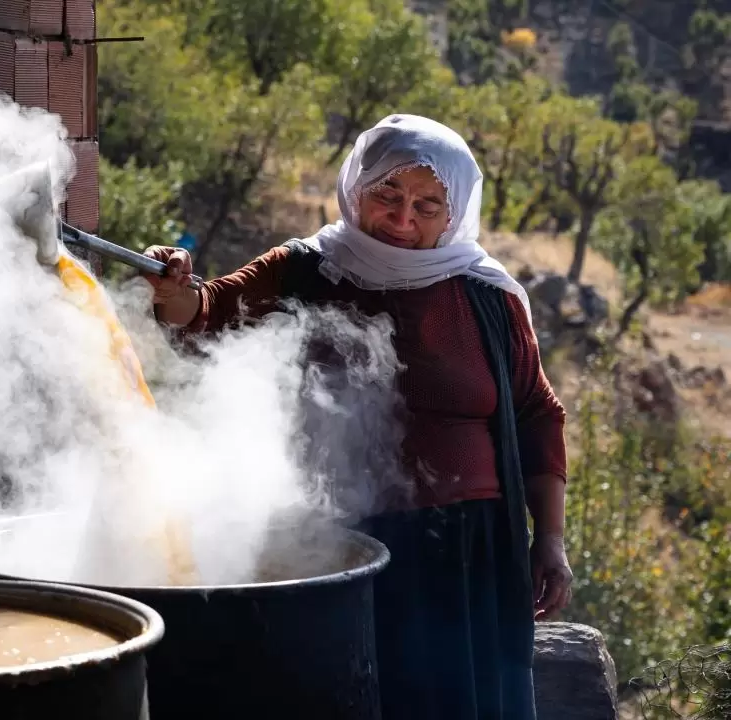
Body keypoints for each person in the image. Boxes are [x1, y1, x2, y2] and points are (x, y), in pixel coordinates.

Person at [145, 114, 573, 720]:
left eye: (427, 206)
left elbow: (536, 413)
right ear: (356, 186)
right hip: (342, 545)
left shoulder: (486, 296)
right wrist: (174, 291)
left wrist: (549, 540)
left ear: (454, 215)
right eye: (387, 194)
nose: (402, 219)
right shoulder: (306, 269)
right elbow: (206, 314)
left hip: (467, 555)